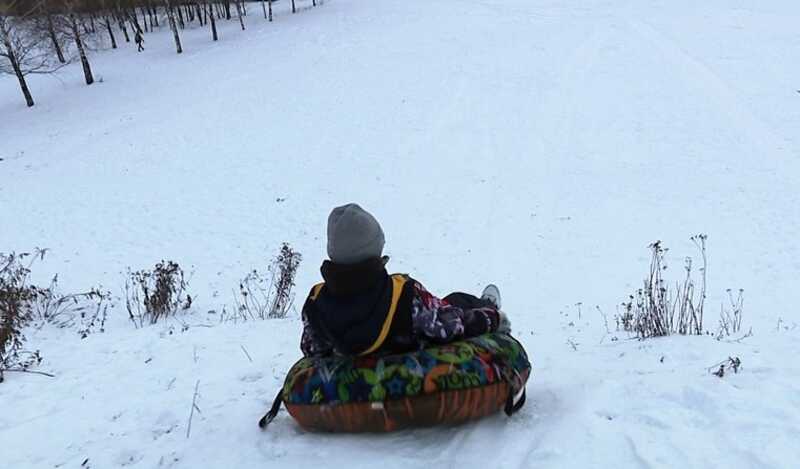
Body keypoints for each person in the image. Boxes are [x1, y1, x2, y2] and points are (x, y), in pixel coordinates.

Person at [300, 203, 510, 358]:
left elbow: (311, 347)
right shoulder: (403, 295)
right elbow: (450, 326)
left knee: (446, 305)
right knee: (456, 301)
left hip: (345, 382)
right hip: (403, 362)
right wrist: (493, 320)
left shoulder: (316, 303)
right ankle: (488, 305)